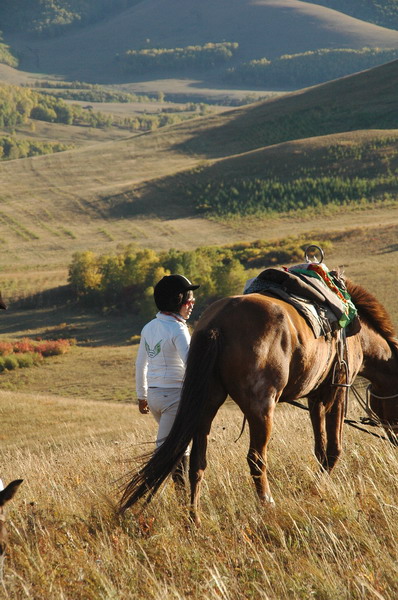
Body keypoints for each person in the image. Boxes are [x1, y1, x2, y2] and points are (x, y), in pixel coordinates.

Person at [135, 274, 200, 487]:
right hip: (174, 397)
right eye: (189, 301)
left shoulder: (148, 327)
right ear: (177, 301)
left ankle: (181, 495)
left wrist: (141, 396)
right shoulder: (178, 329)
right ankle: (148, 489)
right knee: (166, 450)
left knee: (179, 445)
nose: (192, 306)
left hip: (154, 397)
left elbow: (140, 365)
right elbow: (191, 363)